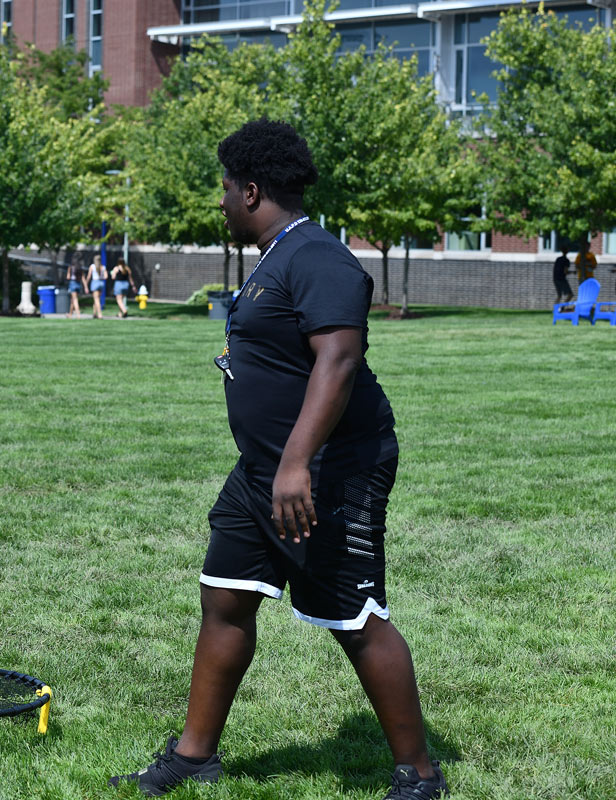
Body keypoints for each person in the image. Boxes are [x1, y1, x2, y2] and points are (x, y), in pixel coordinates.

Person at [109, 121, 447, 800]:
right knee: (225, 597)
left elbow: (340, 358)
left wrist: (297, 463)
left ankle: (419, 772)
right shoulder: (276, 255)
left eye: (227, 190)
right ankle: (194, 754)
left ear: (253, 189)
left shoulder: (318, 256)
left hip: (328, 470)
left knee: (355, 616)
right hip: (261, 472)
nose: (223, 202)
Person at [86, 254, 107, 319]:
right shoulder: (103, 267)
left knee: (96, 299)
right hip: (101, 283)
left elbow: (89, 276)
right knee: (96, 299)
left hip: (95, 282)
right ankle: (94, 314)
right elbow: (106, 277)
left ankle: (100, 314)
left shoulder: (92, 266)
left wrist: (86, 283)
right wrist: (101, 277)